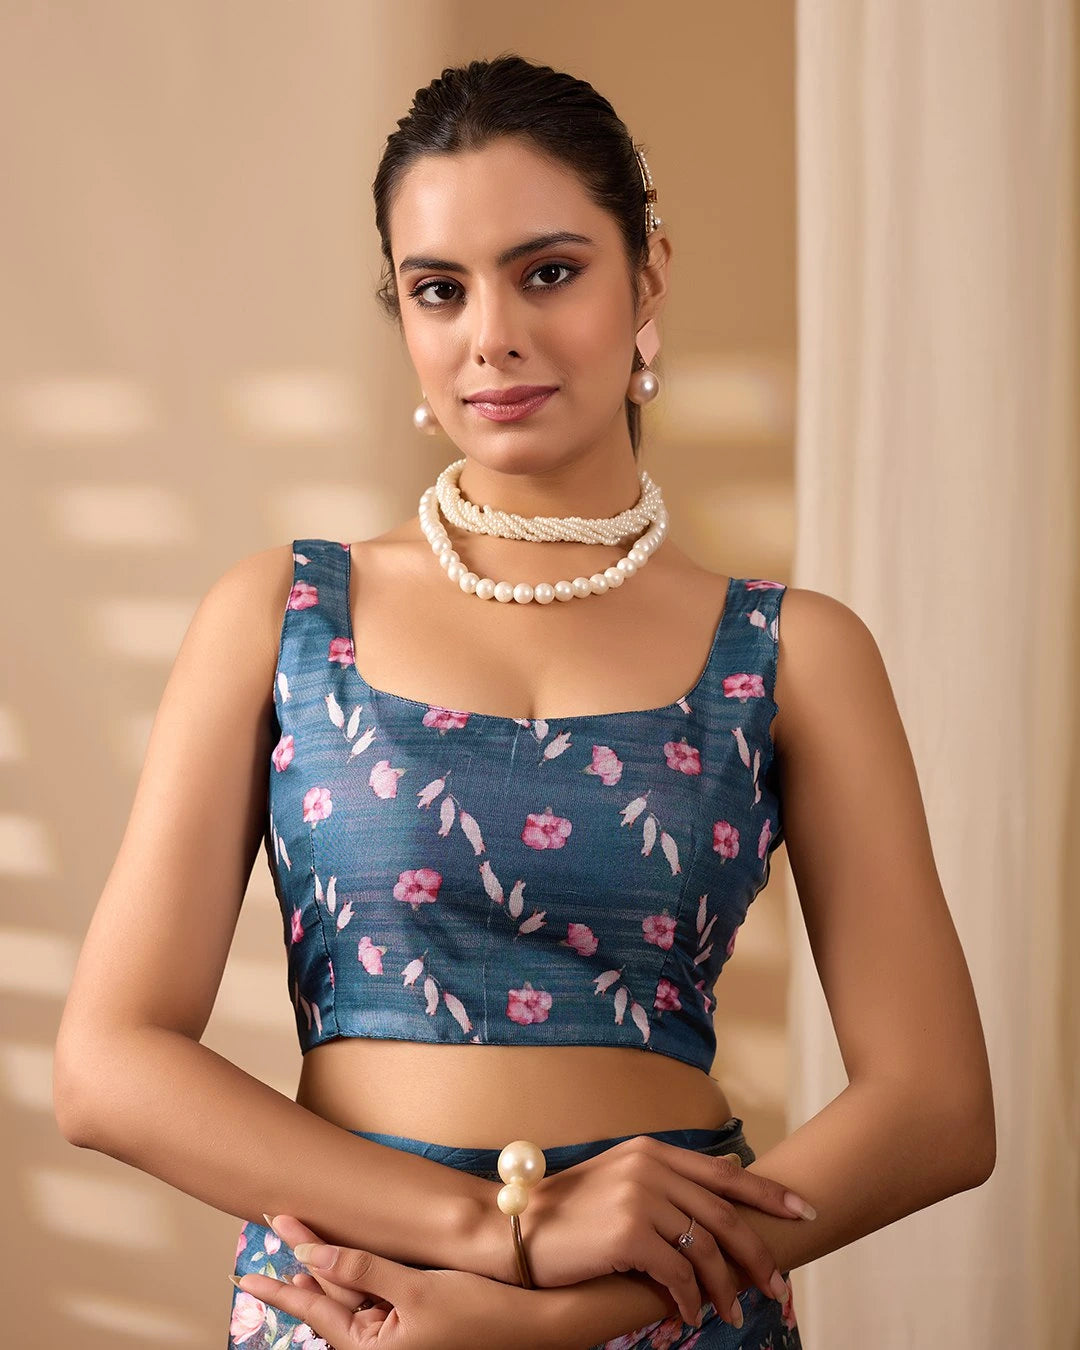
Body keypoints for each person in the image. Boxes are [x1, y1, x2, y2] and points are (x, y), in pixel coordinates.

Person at [53, 53, 995, 1350]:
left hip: (669, 1305)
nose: (489, 334)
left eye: (547, 272)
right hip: (363, 1304)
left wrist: (563, 1316)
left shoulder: (792, 653)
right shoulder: (280, 614)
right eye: (438, 289)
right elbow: (106, 1066)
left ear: (647, 277)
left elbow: (938, 1109)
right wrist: (498, 1235)